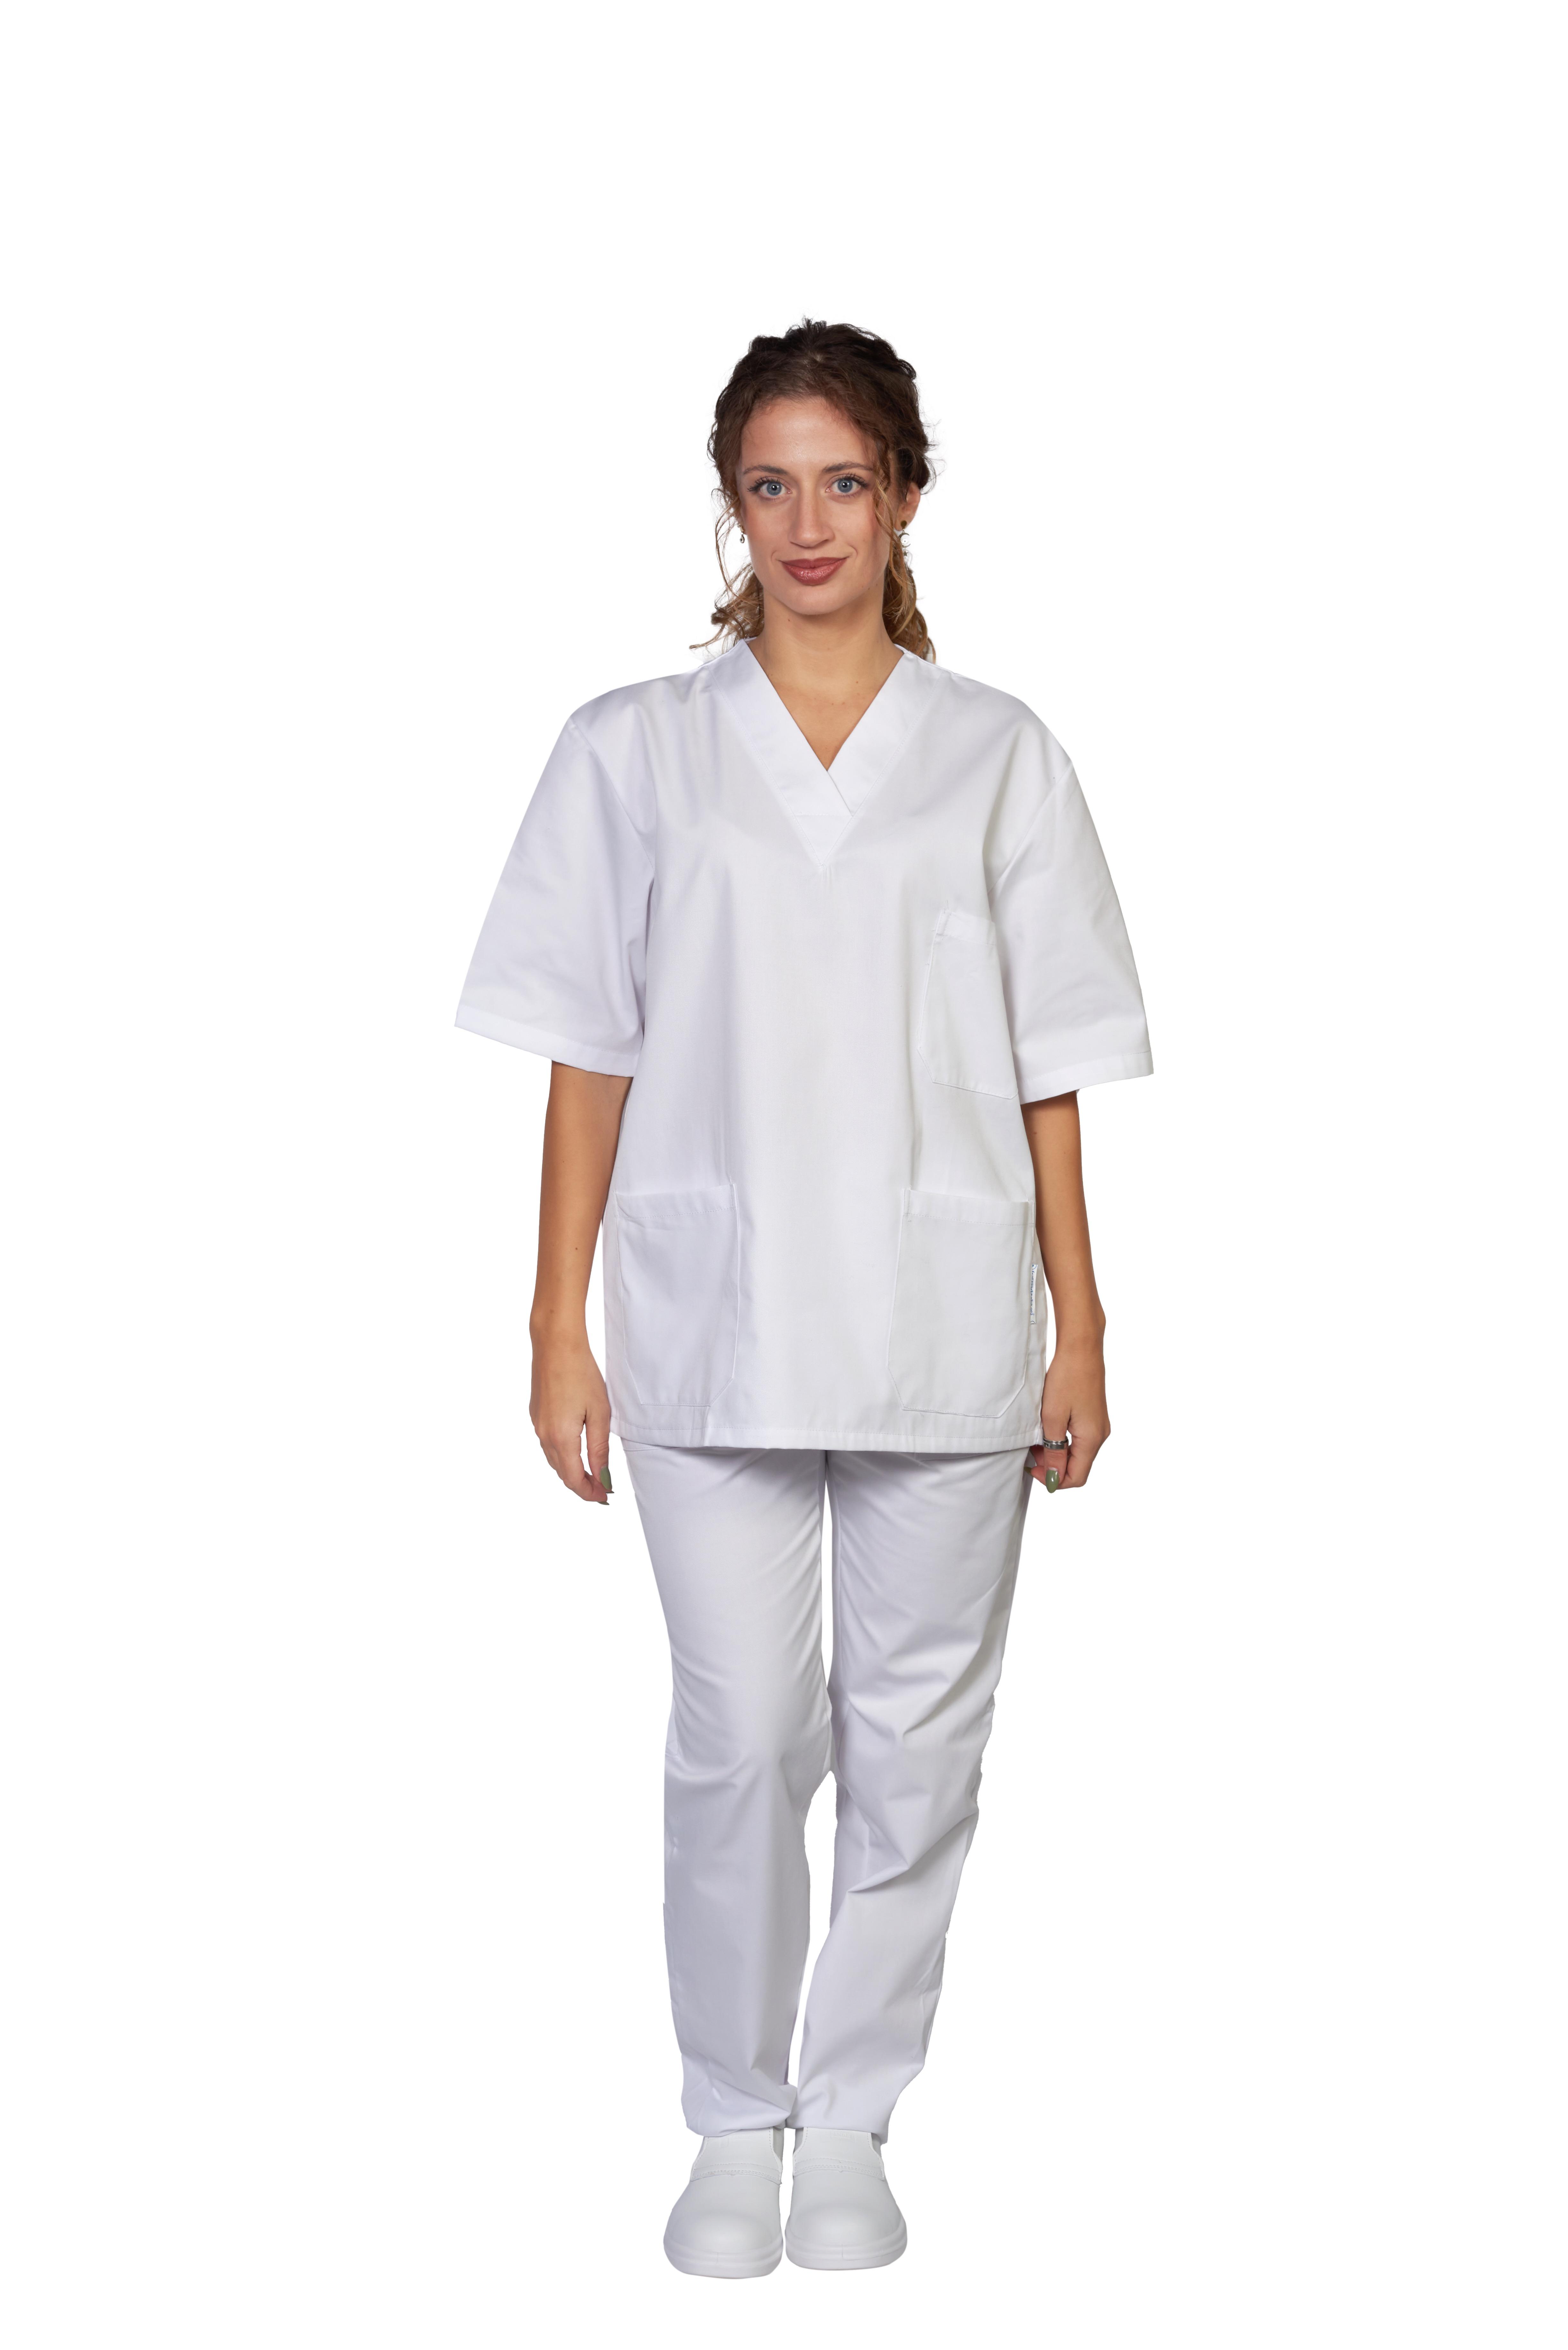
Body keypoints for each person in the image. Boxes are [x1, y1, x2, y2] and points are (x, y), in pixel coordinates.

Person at [455, 319, 1152, 2277]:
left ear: (907, 497)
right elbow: (587, 1048)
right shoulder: (635, 749)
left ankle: (848, 2115)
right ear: (731, 505)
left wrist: (1084, 1325)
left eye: (846, 480)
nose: (809, 521)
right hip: (715, 1313)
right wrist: (554, 1323)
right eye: (771, 484)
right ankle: (730, 2114)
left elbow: (1051, 1059)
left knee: (919, 1745)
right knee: (743, 1735)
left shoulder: (998, 756)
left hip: (946, 1317)